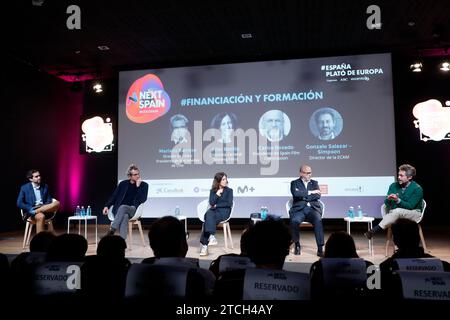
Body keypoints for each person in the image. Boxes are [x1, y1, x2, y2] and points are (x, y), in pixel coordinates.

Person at [365, 164, 423, 239]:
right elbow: (387, 203)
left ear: (409, 177)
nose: (398, 177)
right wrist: (389, 199)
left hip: (414, 213)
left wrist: (397, 200)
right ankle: (387, 223)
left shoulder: (417, 189)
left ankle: (374, 230)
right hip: (397, 212)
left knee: (397, 211)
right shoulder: (393, 185)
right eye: (398, 175)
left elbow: (410, 206)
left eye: (401, 176)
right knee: (386, 207)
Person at [102, 164, 149, 240]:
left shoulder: (144, 185)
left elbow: (143, 199)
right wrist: (107, 206)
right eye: (135, 174)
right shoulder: (123, 184)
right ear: (129, 176)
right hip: (119, 210)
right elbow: (114, 196)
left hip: (133, 210)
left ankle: (112, 231)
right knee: (124, 216)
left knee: (123, 207)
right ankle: (122, 243)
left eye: (138, 174)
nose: (137, 176)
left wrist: (138, 187)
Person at [289, 165, 324, 256]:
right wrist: (310, 192)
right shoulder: (294, 183)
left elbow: (318, 196)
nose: (309, 175)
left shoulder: (314, 183)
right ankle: (297, 245)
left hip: (312, 209)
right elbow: (295, 194)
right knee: (294, 221)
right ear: (301, 173)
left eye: (310, 173)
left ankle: (320, 248)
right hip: (299, 210)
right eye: (307, 173)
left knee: (318, 220)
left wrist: (303, 197)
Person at [199, 172, 233, 256]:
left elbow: (229, 204)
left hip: (224, 212)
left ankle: (205, 246)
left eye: (226, 179)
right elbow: (211, 203)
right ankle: (211, 237)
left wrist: (217, 205)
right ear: (218, 181)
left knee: (209, 218)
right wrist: (217, 194)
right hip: (214, 211)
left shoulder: (229, 191)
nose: (225, 181)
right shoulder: (213, 191)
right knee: (208, 214)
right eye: (223, 179)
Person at [17, 169, 60, 234]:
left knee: (57, 203)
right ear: (30, 179)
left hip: (45, 208)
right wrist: (29, 208)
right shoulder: (24, 188)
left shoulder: (45, 186)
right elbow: (19, 203)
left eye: (39, 176)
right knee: (41, 216)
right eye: (36, 176)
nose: (39, 177)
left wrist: (43, 206)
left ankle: (36, 211)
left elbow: (49, 200)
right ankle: (40, 241)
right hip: (33, 209)